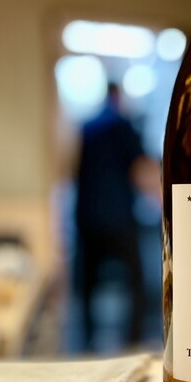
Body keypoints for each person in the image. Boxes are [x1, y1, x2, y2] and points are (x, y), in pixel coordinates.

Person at [73, 83, 157, 352]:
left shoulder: (87, 126)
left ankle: (87, 340)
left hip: (87, 216)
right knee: (136, 282)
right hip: (118, 217)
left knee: (88, 284)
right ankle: (133, 340)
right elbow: (140, 168)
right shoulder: (123, 125)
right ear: (118, 96)